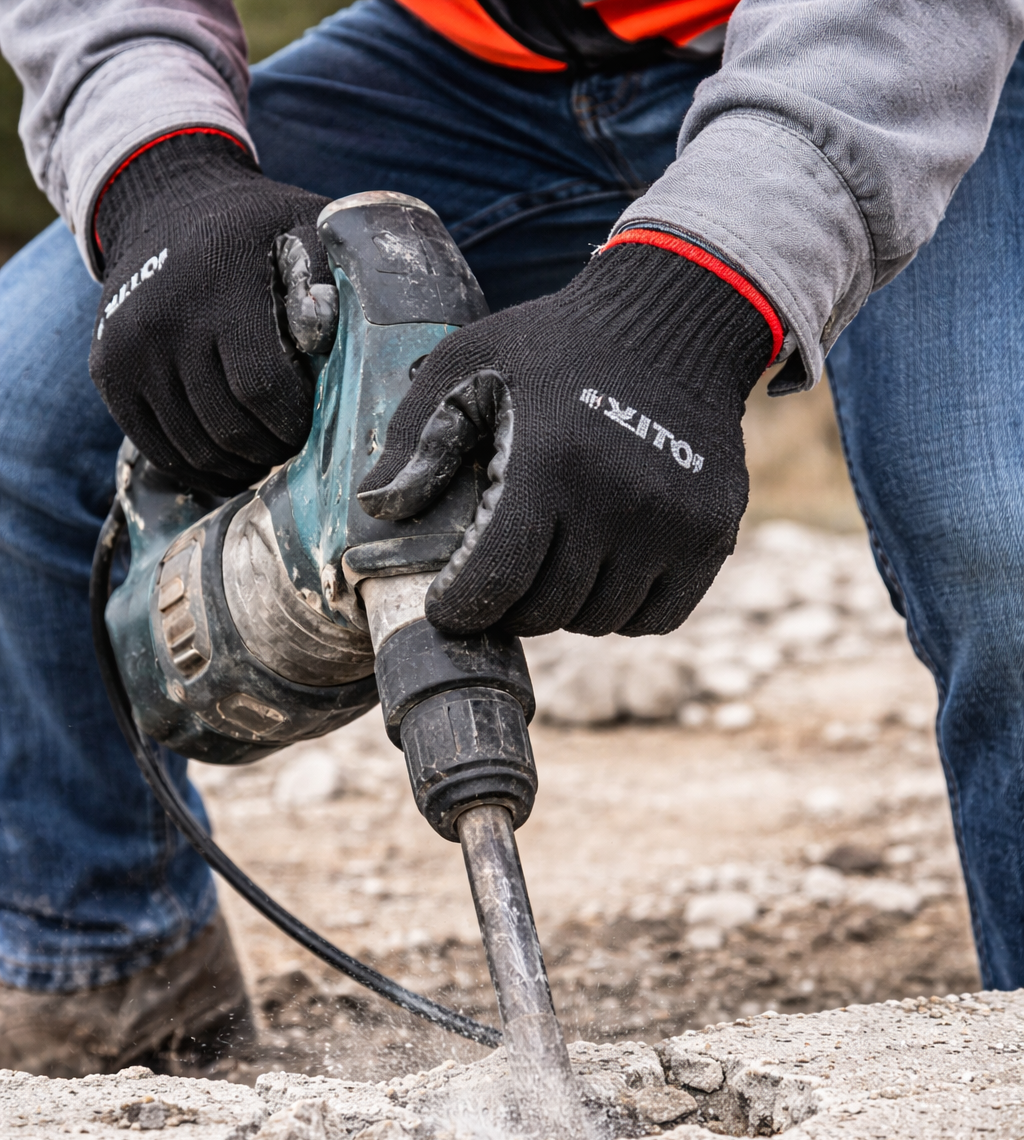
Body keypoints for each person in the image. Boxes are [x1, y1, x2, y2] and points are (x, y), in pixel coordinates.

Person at [1, 0, 1023, 1075]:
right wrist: (161, 170)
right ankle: (122, 998)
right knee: (23, 417)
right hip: (472, 61)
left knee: (999, 543)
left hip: (906, 65)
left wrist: (694, 304)